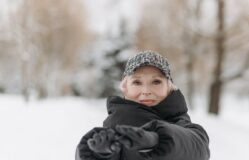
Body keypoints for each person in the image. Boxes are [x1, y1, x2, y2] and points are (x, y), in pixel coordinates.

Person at [75, 51, 210, 160]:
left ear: (169, 87)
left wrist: (158, 140)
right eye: (137, 82)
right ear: (125, 87)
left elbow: (198, 150)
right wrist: (101, 155)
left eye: (156, 82)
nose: (146, 91)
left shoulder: (184, 126)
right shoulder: (110, 131)